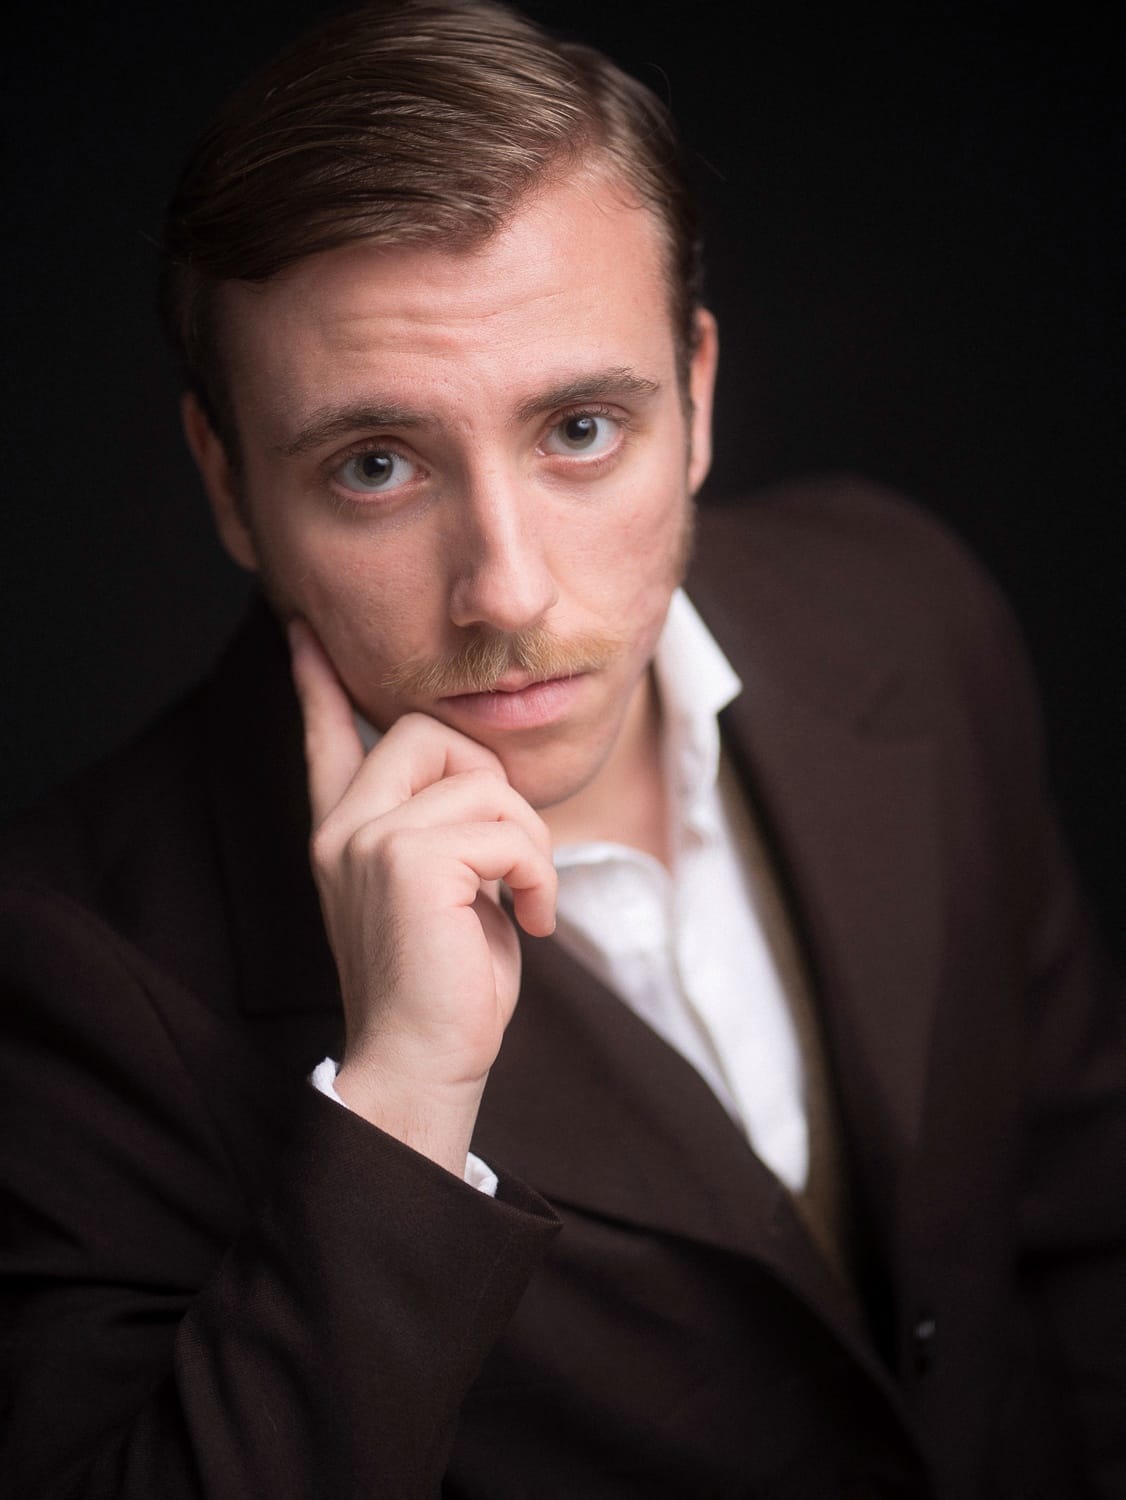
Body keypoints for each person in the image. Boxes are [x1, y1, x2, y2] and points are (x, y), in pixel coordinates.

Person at [0, 1, 1122, 1495]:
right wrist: (401, 1100)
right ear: (228, 488)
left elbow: (1081, 1228)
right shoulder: (72, 962)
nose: (509, 590)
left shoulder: (905, 607)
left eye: (581, 429)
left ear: (696, 398)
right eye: (376, 465)